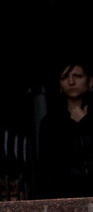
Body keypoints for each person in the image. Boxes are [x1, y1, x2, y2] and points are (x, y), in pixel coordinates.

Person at [33, 62, 93, 200]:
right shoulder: (51, 122)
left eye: (77, 76)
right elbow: (47, 165)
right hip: (65, 195)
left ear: (90, 81)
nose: (71, 82)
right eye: (65, 77)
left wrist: (84, 123)